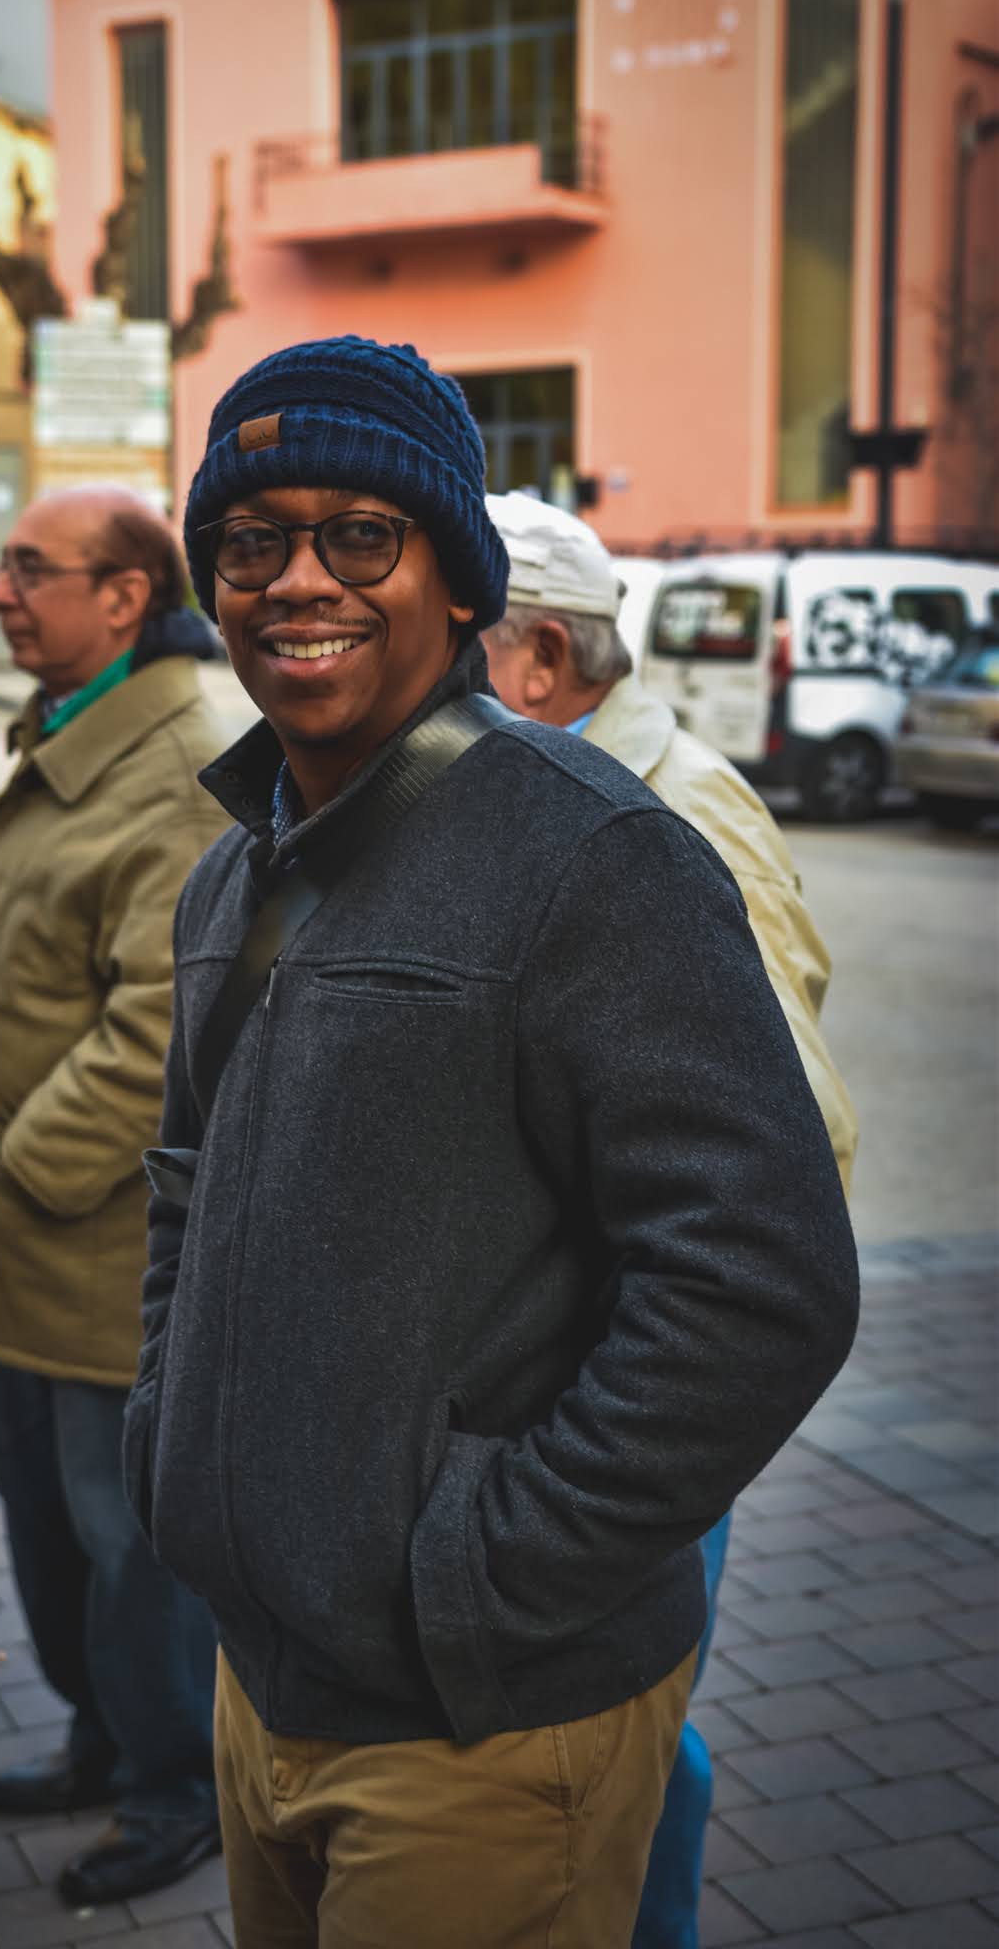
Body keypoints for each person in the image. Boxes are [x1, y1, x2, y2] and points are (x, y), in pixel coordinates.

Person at [122, 336, 859, 1948]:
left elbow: (761, 1282)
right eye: (250, 542)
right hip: (267, 1677)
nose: (296, 580)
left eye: (358, 536)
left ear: (457, 583)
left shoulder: (595, 855)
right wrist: (173, 1448)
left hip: (483, 1722)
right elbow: (183, 1189)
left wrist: (478, 1573)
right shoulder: (235, 872)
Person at [481, 488, 858, 1949]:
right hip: (553, 1376)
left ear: (536, 660)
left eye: (453, 642)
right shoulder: (531, 785)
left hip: (604, 1390)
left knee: (634, 1725)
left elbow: (788, 1147)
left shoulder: (673, 810)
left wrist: (622, 1411)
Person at [0, 484, 229, 1908]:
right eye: (2, 566)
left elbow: (163, 1025)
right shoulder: (79, 725)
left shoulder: (179, 763)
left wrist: (22, 1166)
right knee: (44, 1518)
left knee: (128, 1542)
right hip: (28, 1254)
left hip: (93, 1255)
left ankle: (176, 1785)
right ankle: (101, 1736)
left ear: (126, 597)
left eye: (29, 568)